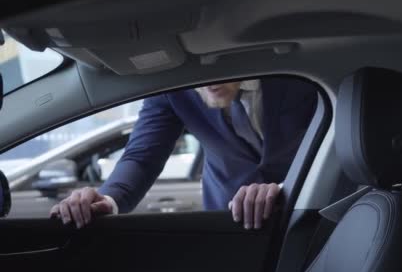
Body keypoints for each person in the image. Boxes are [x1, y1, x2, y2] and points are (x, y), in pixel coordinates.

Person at [50, 78, 318, 230]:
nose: (209, 81)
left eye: (218, 62)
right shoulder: (173, 91)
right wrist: (108, 198)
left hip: (310, 208)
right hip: (229, 221)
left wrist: (286, 187)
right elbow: (142, 157)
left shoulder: (295, 75)